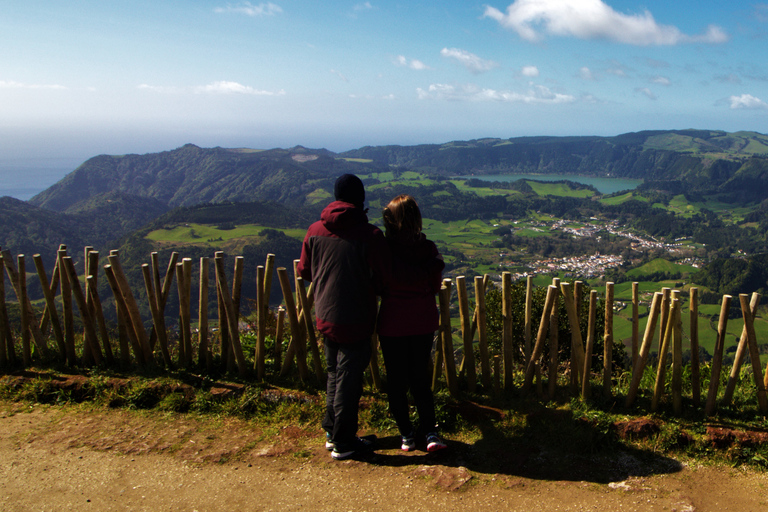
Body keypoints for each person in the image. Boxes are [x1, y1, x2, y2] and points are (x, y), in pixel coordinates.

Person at [297, 174, 390, 461]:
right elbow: (383, 280)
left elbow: (304, 271)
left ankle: (331, 432)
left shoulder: (315, 230)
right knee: (349, 379)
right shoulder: (371, 236)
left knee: (334, 374)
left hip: (325, 313)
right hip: (357, 318)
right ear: (361, 200)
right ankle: (344, 441)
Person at [377, 194, 447, 452]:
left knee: (396, 379)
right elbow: (435, 286)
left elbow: (378, 284)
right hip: (421, 320)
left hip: (392, 322)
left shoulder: (383, 250)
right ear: (416, 219)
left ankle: (406, 434)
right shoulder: (428, 250)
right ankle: (430, 432)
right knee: (420, 377)